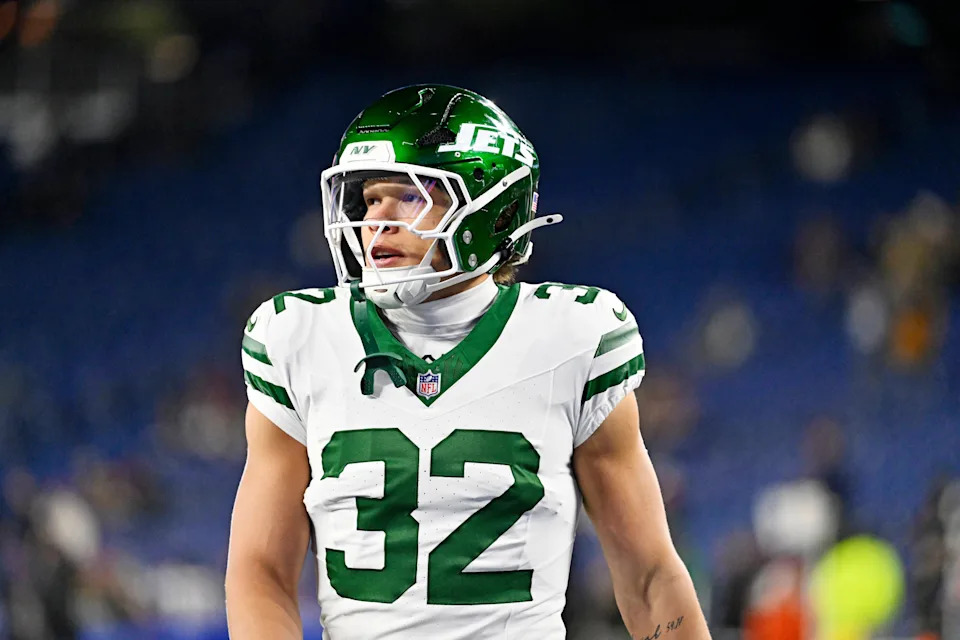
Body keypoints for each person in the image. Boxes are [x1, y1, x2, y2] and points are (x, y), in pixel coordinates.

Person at [225, 84, 710, 639]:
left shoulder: (572, 337)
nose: (377, 220)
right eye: (370, 199)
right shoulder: (298, 337)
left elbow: (648, 574)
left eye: (409, 196)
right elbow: (259, 570)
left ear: (492, 211)